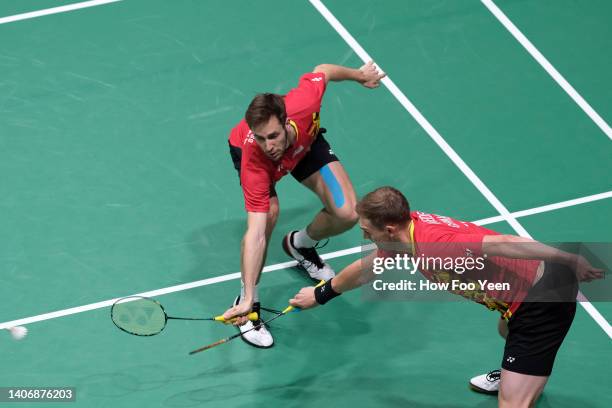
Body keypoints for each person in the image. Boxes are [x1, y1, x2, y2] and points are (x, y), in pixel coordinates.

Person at [289, 186, 603, 407]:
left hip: (542, 301)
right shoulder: (405, 230)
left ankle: (519, 382)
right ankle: (519, 373)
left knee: (513, 403)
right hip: (522, 300)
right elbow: (368, 268)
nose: (363, 235)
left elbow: (506, 242)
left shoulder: (435, 246)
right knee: (505, 330)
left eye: (367, 230)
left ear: (388, 228)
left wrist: (569, 258)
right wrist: (322, 294)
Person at [221, 62, 386, 348]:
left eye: (272, 136)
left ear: (285, 122)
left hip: (304, 147)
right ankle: (248, 299)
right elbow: (256, 234)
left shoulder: (305, 102)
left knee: (347, 212)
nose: (268, 144)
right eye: (260, 137)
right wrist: (248, 296)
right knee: (268, 215)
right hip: (265, 168)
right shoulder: (255, 158)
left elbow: (324, 70)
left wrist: (360, 76)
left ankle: (300, 244)